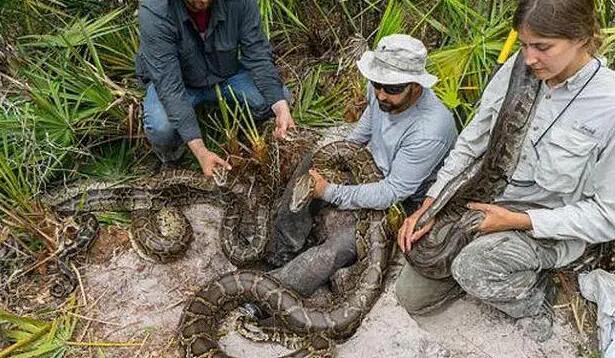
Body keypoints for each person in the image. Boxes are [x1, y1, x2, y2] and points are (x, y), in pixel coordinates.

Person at [396, 0, 615, 343]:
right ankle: (478, 263)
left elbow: (608, 216)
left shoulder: (609, 106)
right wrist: (433, 202)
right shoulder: (520, 70)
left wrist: (517, 222)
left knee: (473, 268)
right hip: (482, 202)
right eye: (524, 44)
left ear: (582, 37)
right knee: (412, 294)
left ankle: (535, 296)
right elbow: (473, 139)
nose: (529, 59)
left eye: (542, 47)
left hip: (545, 224)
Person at [255, 34, 457, 304]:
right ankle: (282, 251)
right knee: (312, 162)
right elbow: (363, 131)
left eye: (393, 89)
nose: (382, 94)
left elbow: (392, 192)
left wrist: (329, 191)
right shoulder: (382, 95)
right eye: (377, 84)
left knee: (334, 251)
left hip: (404, 202)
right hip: (372, 167)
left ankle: (263, 300)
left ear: (416, 87)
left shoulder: (431, 129)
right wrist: (334, 159)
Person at [135, 0, 295, 176]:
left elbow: (258, 55)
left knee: (280, 98)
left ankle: (243, 129)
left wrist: (280, 108)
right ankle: (174, 155)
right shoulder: (154, 12)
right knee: (161, 128)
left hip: (225, 74)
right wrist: (201, 151)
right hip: (181, 83)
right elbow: (169, 87)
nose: (202, 1)